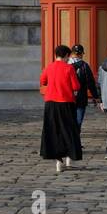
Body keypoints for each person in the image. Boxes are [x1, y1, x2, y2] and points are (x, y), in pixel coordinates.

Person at [39, 45, 81, 173]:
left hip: (51, 103)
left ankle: (58, 162)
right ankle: (69, 159)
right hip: (66, 103)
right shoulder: (69, 68)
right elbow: (76, 86)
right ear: (66, 56)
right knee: (68, 131)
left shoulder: (49, 67)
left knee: (53, 131)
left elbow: (43, 80)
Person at [68, 45, 100, 132]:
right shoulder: (84, 66)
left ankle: (68, 141)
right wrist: (96, 96)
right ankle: (76, 140)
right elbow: (90, 82)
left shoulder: (66, 64)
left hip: (67, 97)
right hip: (81, 97)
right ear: (81, 54)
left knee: (68, 121)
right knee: (78, 121)